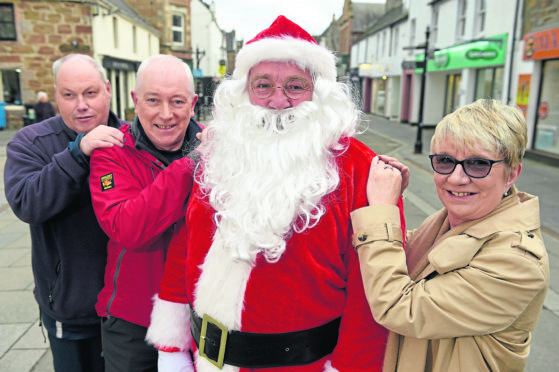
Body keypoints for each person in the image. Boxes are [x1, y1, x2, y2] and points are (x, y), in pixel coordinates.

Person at [146, 16, 406, 372]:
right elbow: (186, 243)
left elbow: (373, 290)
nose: (278, 101)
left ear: (320, 92)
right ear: (244, 91)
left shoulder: (363, 170)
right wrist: (171, 347)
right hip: (205, 360)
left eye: (295, 86)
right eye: (263, 85)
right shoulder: (221, 153)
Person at [351, 99, 549, 372]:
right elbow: (402, 257)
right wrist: (392, 203)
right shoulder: (457, 220)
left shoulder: (518, 261)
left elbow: (400, 308)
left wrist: (383, 209)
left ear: (511, 174)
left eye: (478, 164)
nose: (456, 178)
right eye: (445, 161)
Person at [4, 53, 125, 372]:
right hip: (72, 310)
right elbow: (26, 202)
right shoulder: (30, 142)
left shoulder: (133, 137)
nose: (81, 104)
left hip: (130, 309)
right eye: (69, 95)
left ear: (108, 90)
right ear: (56, 95)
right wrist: (79, 152)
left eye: (90, 93)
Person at [89, 54, 202, 371]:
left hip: (197, 315)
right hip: (133, 319)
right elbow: (127, 228)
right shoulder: (111, 152)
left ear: (192, 103)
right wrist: (192, 165)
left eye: (177, 101)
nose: (166, 114)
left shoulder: (216, 146)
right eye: (153, 100)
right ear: (135, 101)